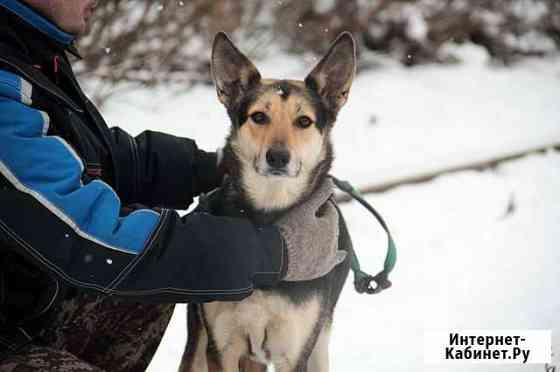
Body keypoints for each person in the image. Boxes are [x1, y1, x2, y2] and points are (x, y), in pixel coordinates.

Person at [0, 0, 346, 370]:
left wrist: (211, 167)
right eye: (260, 118)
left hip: (23, 308)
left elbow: (98, 157)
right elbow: (90, 235)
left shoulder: (29, 54)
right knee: (144, 256)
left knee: (153, 273)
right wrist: (276, 253)